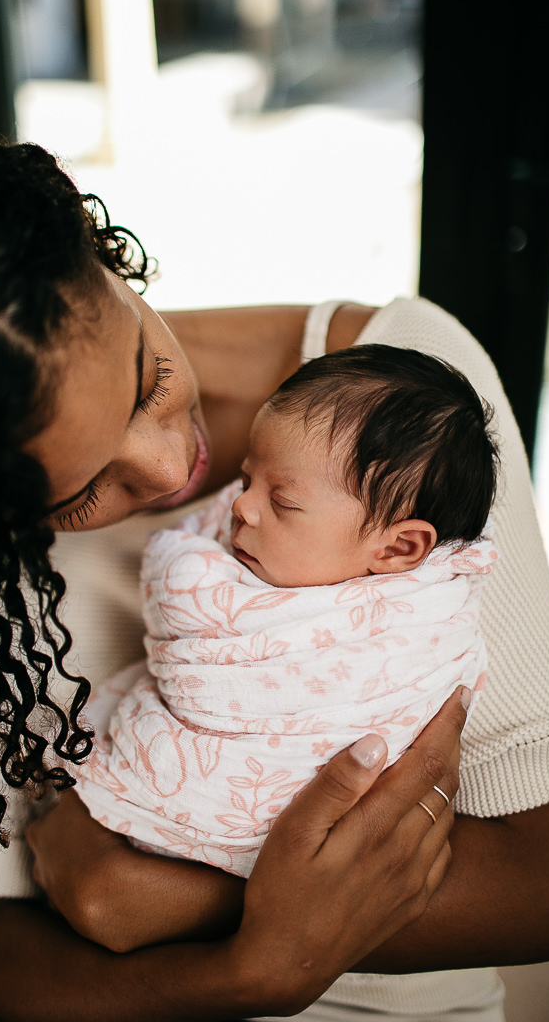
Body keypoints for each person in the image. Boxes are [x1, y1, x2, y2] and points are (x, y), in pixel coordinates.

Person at [0, 135, 549, 1022]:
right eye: (81, 492)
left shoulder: (403, 408)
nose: (178, 472)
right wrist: (245, 973)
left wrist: (185, 908)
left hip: (385, 1020)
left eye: (146, 380)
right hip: (78, 996)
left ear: (98, 251)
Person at [73, 346, 499, 881]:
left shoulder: (428, 614)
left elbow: (188, 597)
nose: (241, 505)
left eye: (284, 502)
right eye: (249, 478)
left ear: (398, 550)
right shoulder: (260, 529)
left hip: (327, 860)